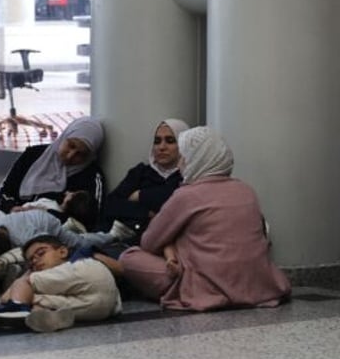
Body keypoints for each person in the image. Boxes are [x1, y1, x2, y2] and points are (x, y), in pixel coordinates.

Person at [118, 126, 291, 311]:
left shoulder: (186, 195)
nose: (180, 164)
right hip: (257, 284)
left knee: (129, 257)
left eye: (184, 157)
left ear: (197, 159)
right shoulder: (247, 191)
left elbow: (149, 243)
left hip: (203, 285)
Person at [0, 116, 106, 243]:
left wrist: (43, 214)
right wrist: (13, 208)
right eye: (70, 145)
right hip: (10, 221)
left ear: (90, 155)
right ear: (64, 136)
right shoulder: (33, 155)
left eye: (81, 154)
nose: (71, 155)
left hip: (49, 235)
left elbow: (88, 219)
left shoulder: (92, 175)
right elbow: (4, 194)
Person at [0, 234, 122, 331]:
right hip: (104, 309)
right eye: (31, 261)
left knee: (26, 284)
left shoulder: (74, 262)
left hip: (90, 274)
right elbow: (5, 297)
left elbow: (6, 297)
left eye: (41, 253)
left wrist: (28, 274)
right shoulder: (56, 278)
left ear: (63, 252)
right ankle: (49, 318)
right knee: (37, 301)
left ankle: (16, 307)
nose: (36, 261)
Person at [100, 118, 190, 237]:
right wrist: (146, 212)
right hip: (125, 238)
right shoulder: (141, 172)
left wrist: (140, 195)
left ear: (183, 144)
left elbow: (180, 203)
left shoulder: (189, 175)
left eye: (170, 140)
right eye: (157, 141)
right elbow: (110, 205)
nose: (161, 147)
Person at [0, 207, 134, 268]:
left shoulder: (27, 239)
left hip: (47, 224)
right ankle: (70, 227)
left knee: (78, 243)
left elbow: (46, 246)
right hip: (32, 217)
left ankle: (113, 235)